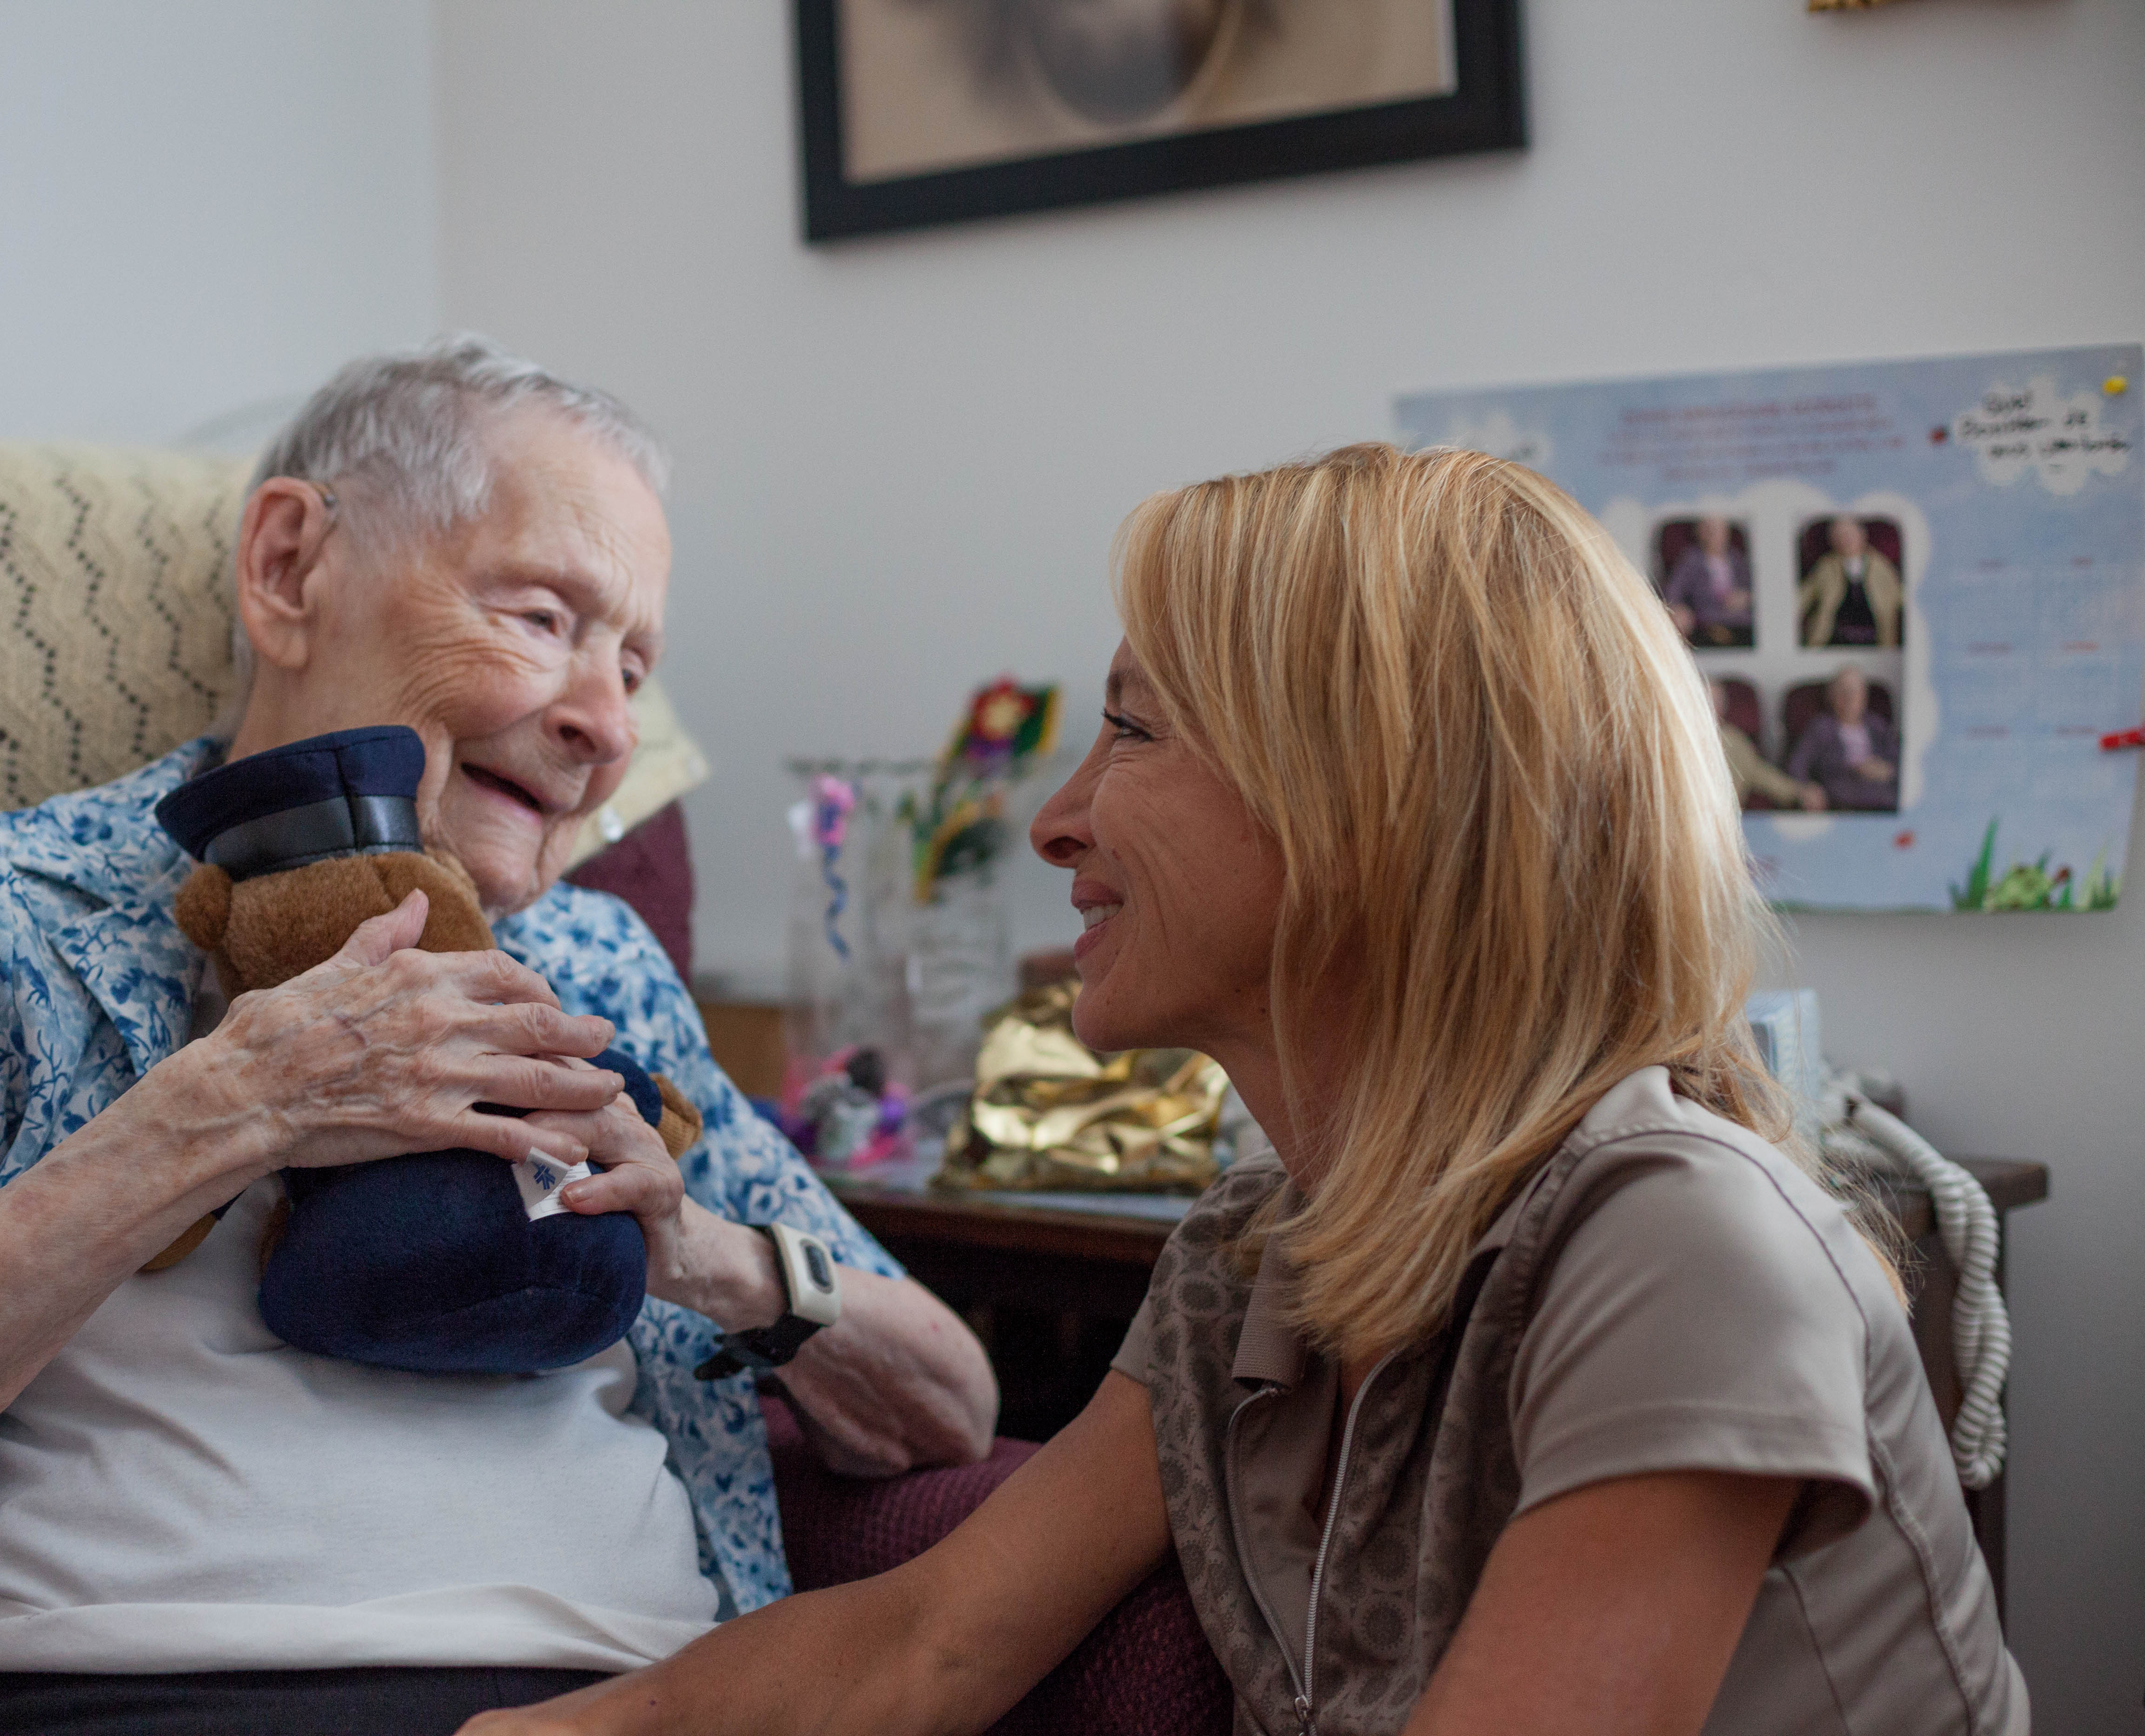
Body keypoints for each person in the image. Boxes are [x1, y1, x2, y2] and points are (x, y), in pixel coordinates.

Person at [461, 445, 2024, 1736]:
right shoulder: (1248, 1260)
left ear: (1372, 808)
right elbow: (926, 1642)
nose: (1055, 820)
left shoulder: (1679, 1248)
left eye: (1132, 729)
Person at [0, 338, 998, 1736]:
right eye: (544, 617)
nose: (608, 726)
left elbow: (950, 1400)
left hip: (635, 1700)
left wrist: (699, 1252)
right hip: (126, 1695)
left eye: (634, 666)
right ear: (289, 566)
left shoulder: (597, 963)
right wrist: (241, 1106)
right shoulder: (6, 912)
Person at [1787, 664, 1901, 811]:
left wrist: (1888, 770)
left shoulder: (1878, 725)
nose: (1850, 698)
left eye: (1855, 692)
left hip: (1884, 801)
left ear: (1864, 697)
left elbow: (1902, 763)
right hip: (1841, 801)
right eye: (1843, 692)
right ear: (1831, 697)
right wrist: (1806, 789)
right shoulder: (1821, 727)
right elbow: (1797, 764)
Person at [1708, 676, 1824, 811]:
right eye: (1703, 700)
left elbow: (1762, 775)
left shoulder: (1735, 742)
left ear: (1723, 707)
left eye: (1715, 702)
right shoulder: (1685, 744)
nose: (1710, 707)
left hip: (1725, 818)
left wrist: (1800, 792)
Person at [1797, 514, 1903, 647]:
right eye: (1839, 536)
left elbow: (1900, 595)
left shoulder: (1881, 566)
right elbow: (1805, 595)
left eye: (1849, 535)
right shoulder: (1826, 567)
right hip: (1835, 639)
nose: (1845, 540)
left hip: (1875, 639)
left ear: (1862, 535)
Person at [1660, 517, 1753, 646]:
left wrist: (1746, 597)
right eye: (1707, 528)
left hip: (1742, 623)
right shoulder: (1691, 560)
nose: (1712, 533)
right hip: (1707, 623)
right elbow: (1673, 592)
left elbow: (1756, 589)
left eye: (1717, 529)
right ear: (1698, 531)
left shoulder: (1737, 559)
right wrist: (1677, 609)